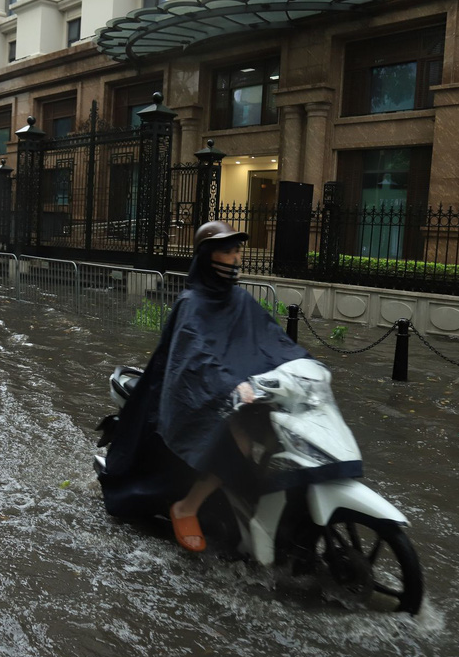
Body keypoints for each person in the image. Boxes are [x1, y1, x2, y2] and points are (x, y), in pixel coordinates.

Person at [98, 221, 310, 553]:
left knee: (277, 432)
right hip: (189, 396)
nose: (236, 257)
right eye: (227, 250)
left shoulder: (240, 300)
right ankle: (188, 506)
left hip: (239, 393)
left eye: (237, 250)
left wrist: (302, 364)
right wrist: (232, 385)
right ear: (208, 256)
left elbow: (270, 340)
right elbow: (196, 353)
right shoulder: (191, 303)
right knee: (239, 437)